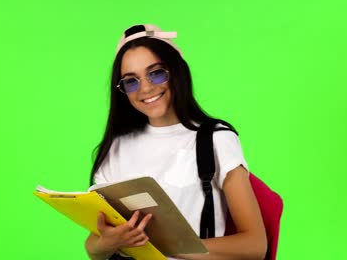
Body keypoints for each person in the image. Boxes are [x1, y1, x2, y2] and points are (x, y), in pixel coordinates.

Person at [84, 24, 267, 260]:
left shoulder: (215, 139)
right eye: (131, 81)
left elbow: (255, 246)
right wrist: (108, 243)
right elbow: (92, 248)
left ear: (176, 72)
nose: (146, 88)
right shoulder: (115, 148)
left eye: (156, 73)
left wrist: (169, 245)